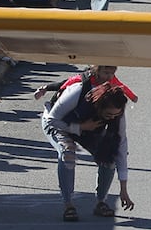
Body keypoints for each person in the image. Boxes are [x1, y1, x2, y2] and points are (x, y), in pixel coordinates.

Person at [41, 77, 136, 222]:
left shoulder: (117, 114)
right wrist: (80, 127)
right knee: (68, 153)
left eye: (115, 115)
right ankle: (68, 205)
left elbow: (121, 148)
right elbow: (52, 120)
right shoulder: (77, 93)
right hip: (59, 124)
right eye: (109, 114)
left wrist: (123, 188)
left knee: (110, 156)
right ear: (99, 105)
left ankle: (101, 202)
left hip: (88, 129)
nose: (111, 119)